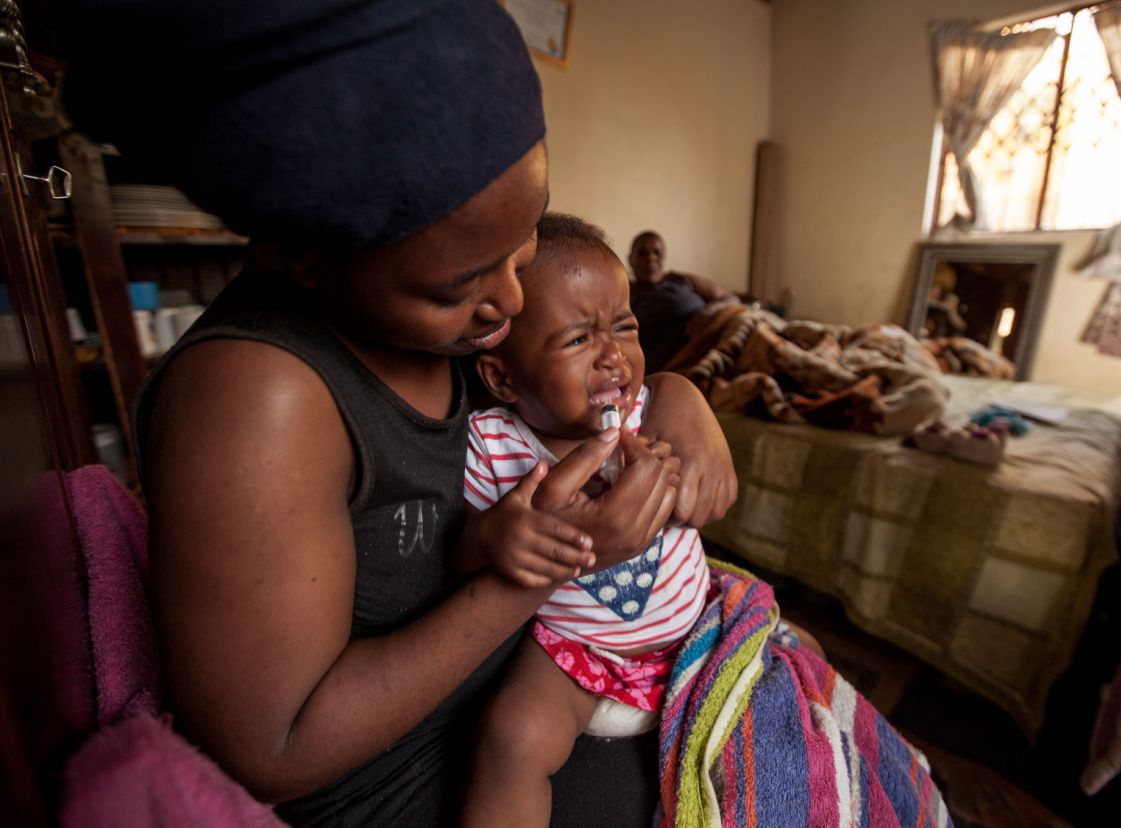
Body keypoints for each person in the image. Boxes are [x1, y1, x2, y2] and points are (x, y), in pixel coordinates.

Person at [58, 2, 736, 824]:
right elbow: (276, 753)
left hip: (546, 667)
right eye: (460, 286)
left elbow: (574, 387)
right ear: (298, 255)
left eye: (521, 247)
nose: (511, 301)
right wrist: (551, 564)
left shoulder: (453, 325)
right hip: (418, 777)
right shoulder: (259, 396)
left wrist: (677, 397)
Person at [459, 214, 711, 826]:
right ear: (503, 377)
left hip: (696, 636)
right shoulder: (494, 445)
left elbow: (703, 501)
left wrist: (684, 427)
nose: (614, 357)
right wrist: (497, 537)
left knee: (793, 666)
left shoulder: (654, 412)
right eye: (577, 341)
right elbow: (460, 556)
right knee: (512, 737)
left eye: (624, 327)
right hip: (576, 654)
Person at [628, 231, 738, 371]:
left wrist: (709, 310)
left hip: (715, 339)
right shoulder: (625, 291)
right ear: (631, 259)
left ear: (664, 258)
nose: (651, 258)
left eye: (657, 253)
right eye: (642, 253)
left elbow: (731, 298)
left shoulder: (680, 279)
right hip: (680, 362)